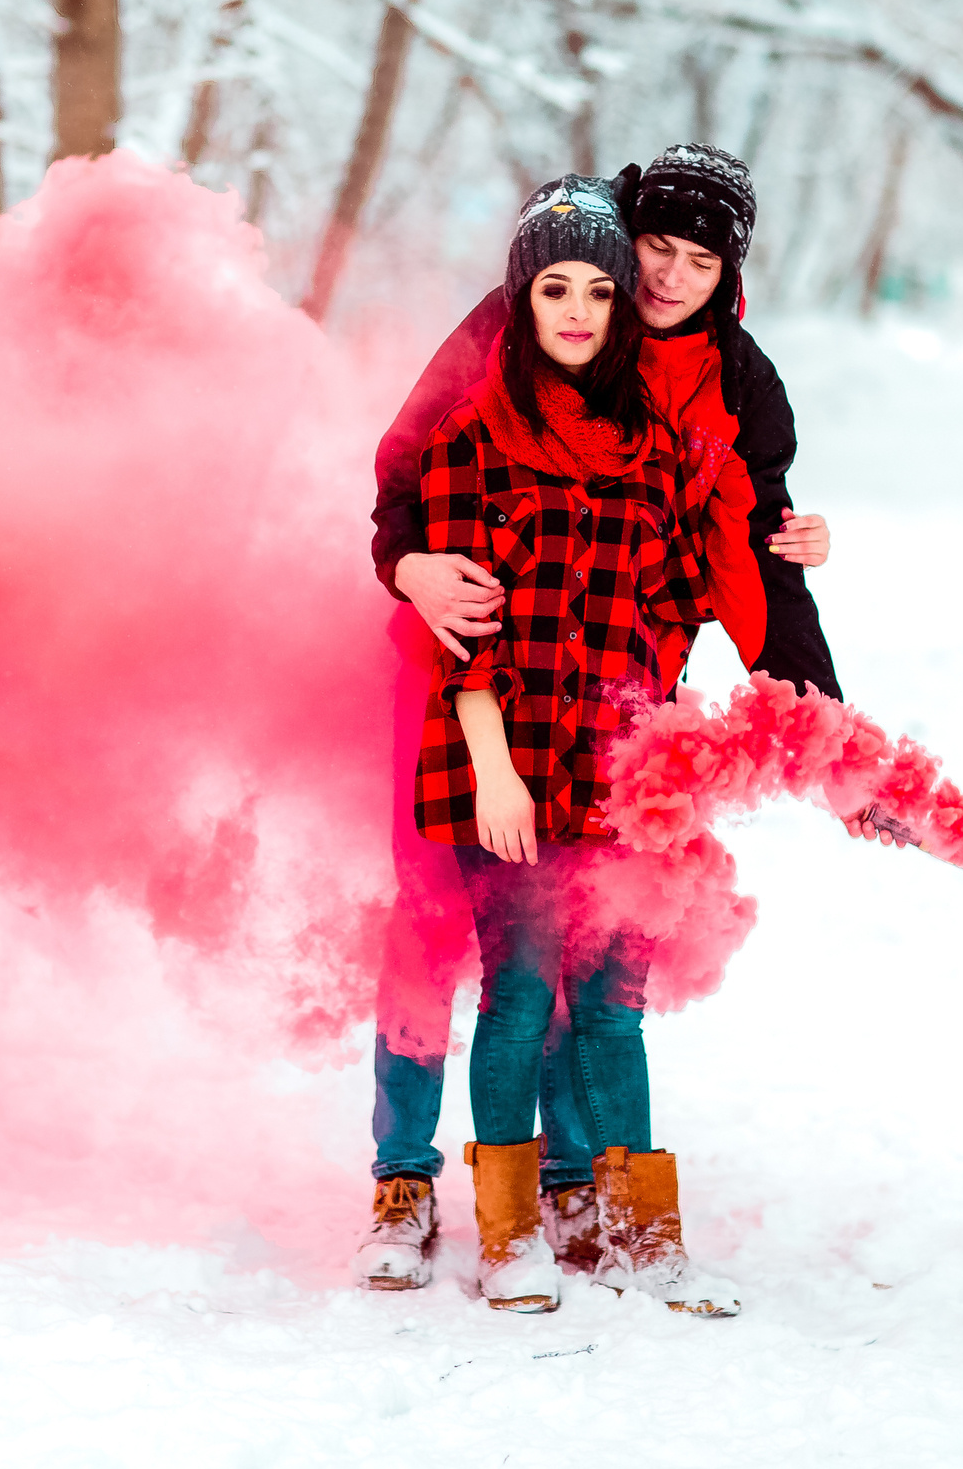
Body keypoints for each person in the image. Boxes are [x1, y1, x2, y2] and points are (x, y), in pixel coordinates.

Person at [356, 146, 838, 1295]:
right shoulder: (510, 338)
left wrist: (817, 707)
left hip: (613, 708)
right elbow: (404, 477)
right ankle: (406, 1176)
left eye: (697, 263)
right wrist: (410, 568)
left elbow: (739, 554)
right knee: (446, 934)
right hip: (466, 689)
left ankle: (573, 1181)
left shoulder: (730, 387)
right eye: (652, 251)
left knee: (582, 960)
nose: (667, 278)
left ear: (729, 278)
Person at [395, 174, 742, 1314]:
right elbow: (461, 636)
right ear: (523, 297)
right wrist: (494, 771)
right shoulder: (472, 440)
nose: (581, 310)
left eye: (600, 288)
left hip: (617, 769)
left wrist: (658, 741)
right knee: (518, 994)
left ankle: (645, 1234)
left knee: (612, 1006)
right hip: (504, 762)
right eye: (556, 289)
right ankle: (508, 1239)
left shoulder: (653, 446)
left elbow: (681, 597)